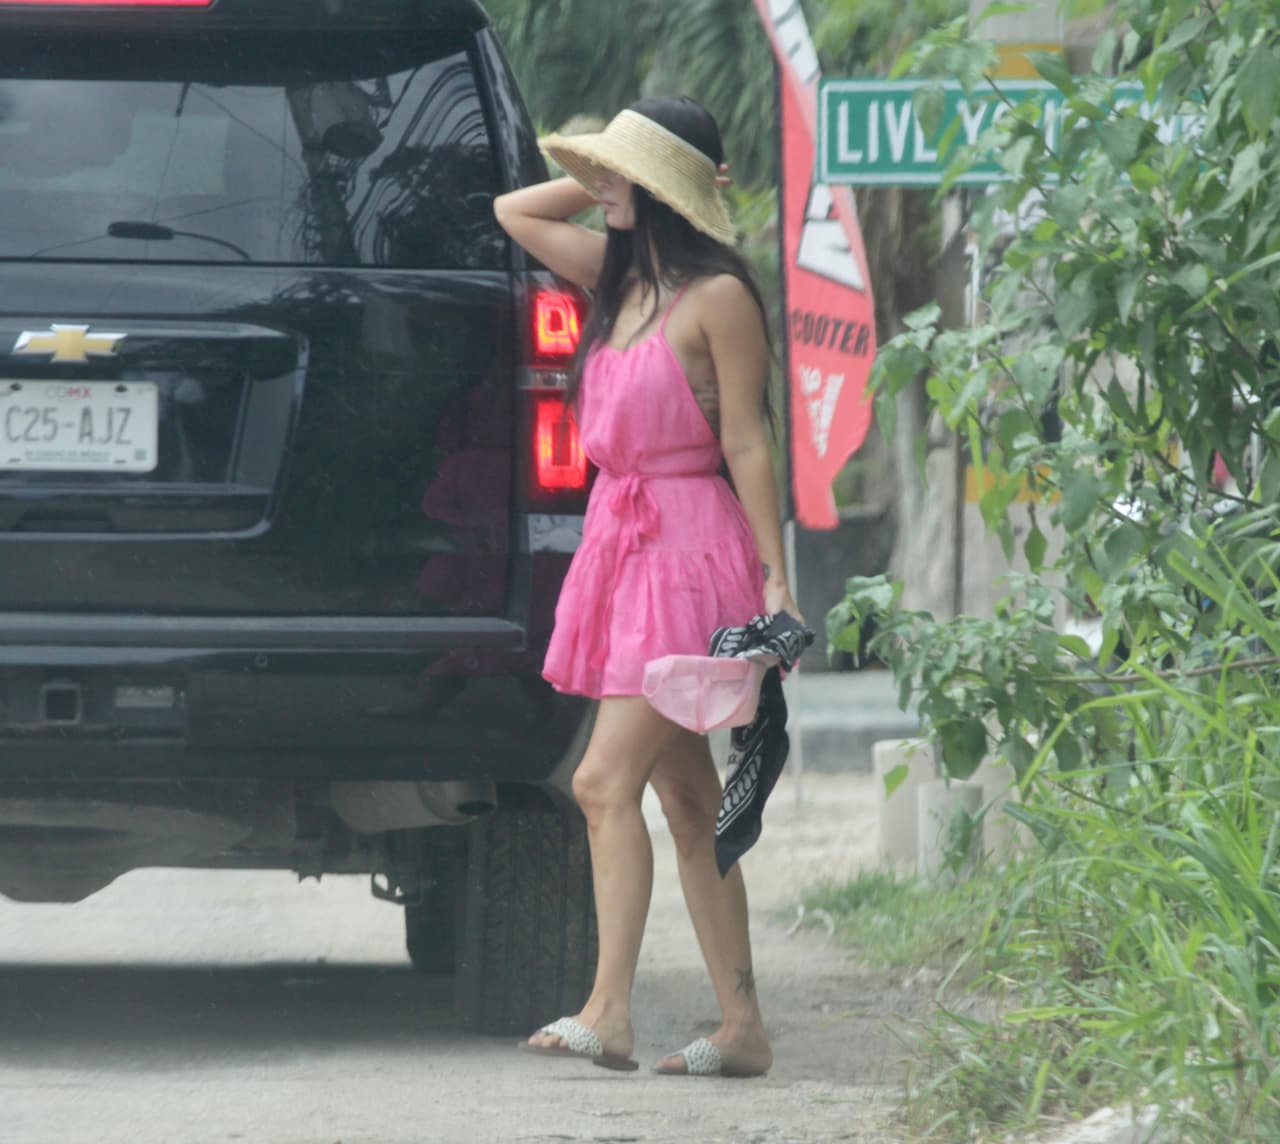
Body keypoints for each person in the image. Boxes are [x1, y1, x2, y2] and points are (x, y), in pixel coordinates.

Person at [493, 95, 801, 1079]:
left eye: (629, 172)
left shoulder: (715, 297)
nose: (607, 185)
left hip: (686, 551)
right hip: (621, 548)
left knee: (598, 781)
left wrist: (775, 583)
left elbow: (749, 441)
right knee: (683, 794)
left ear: (664, 187)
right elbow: (517, 215)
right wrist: (604, 169)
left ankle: (609, 1008)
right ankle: (741, 1025)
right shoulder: (616, 281)